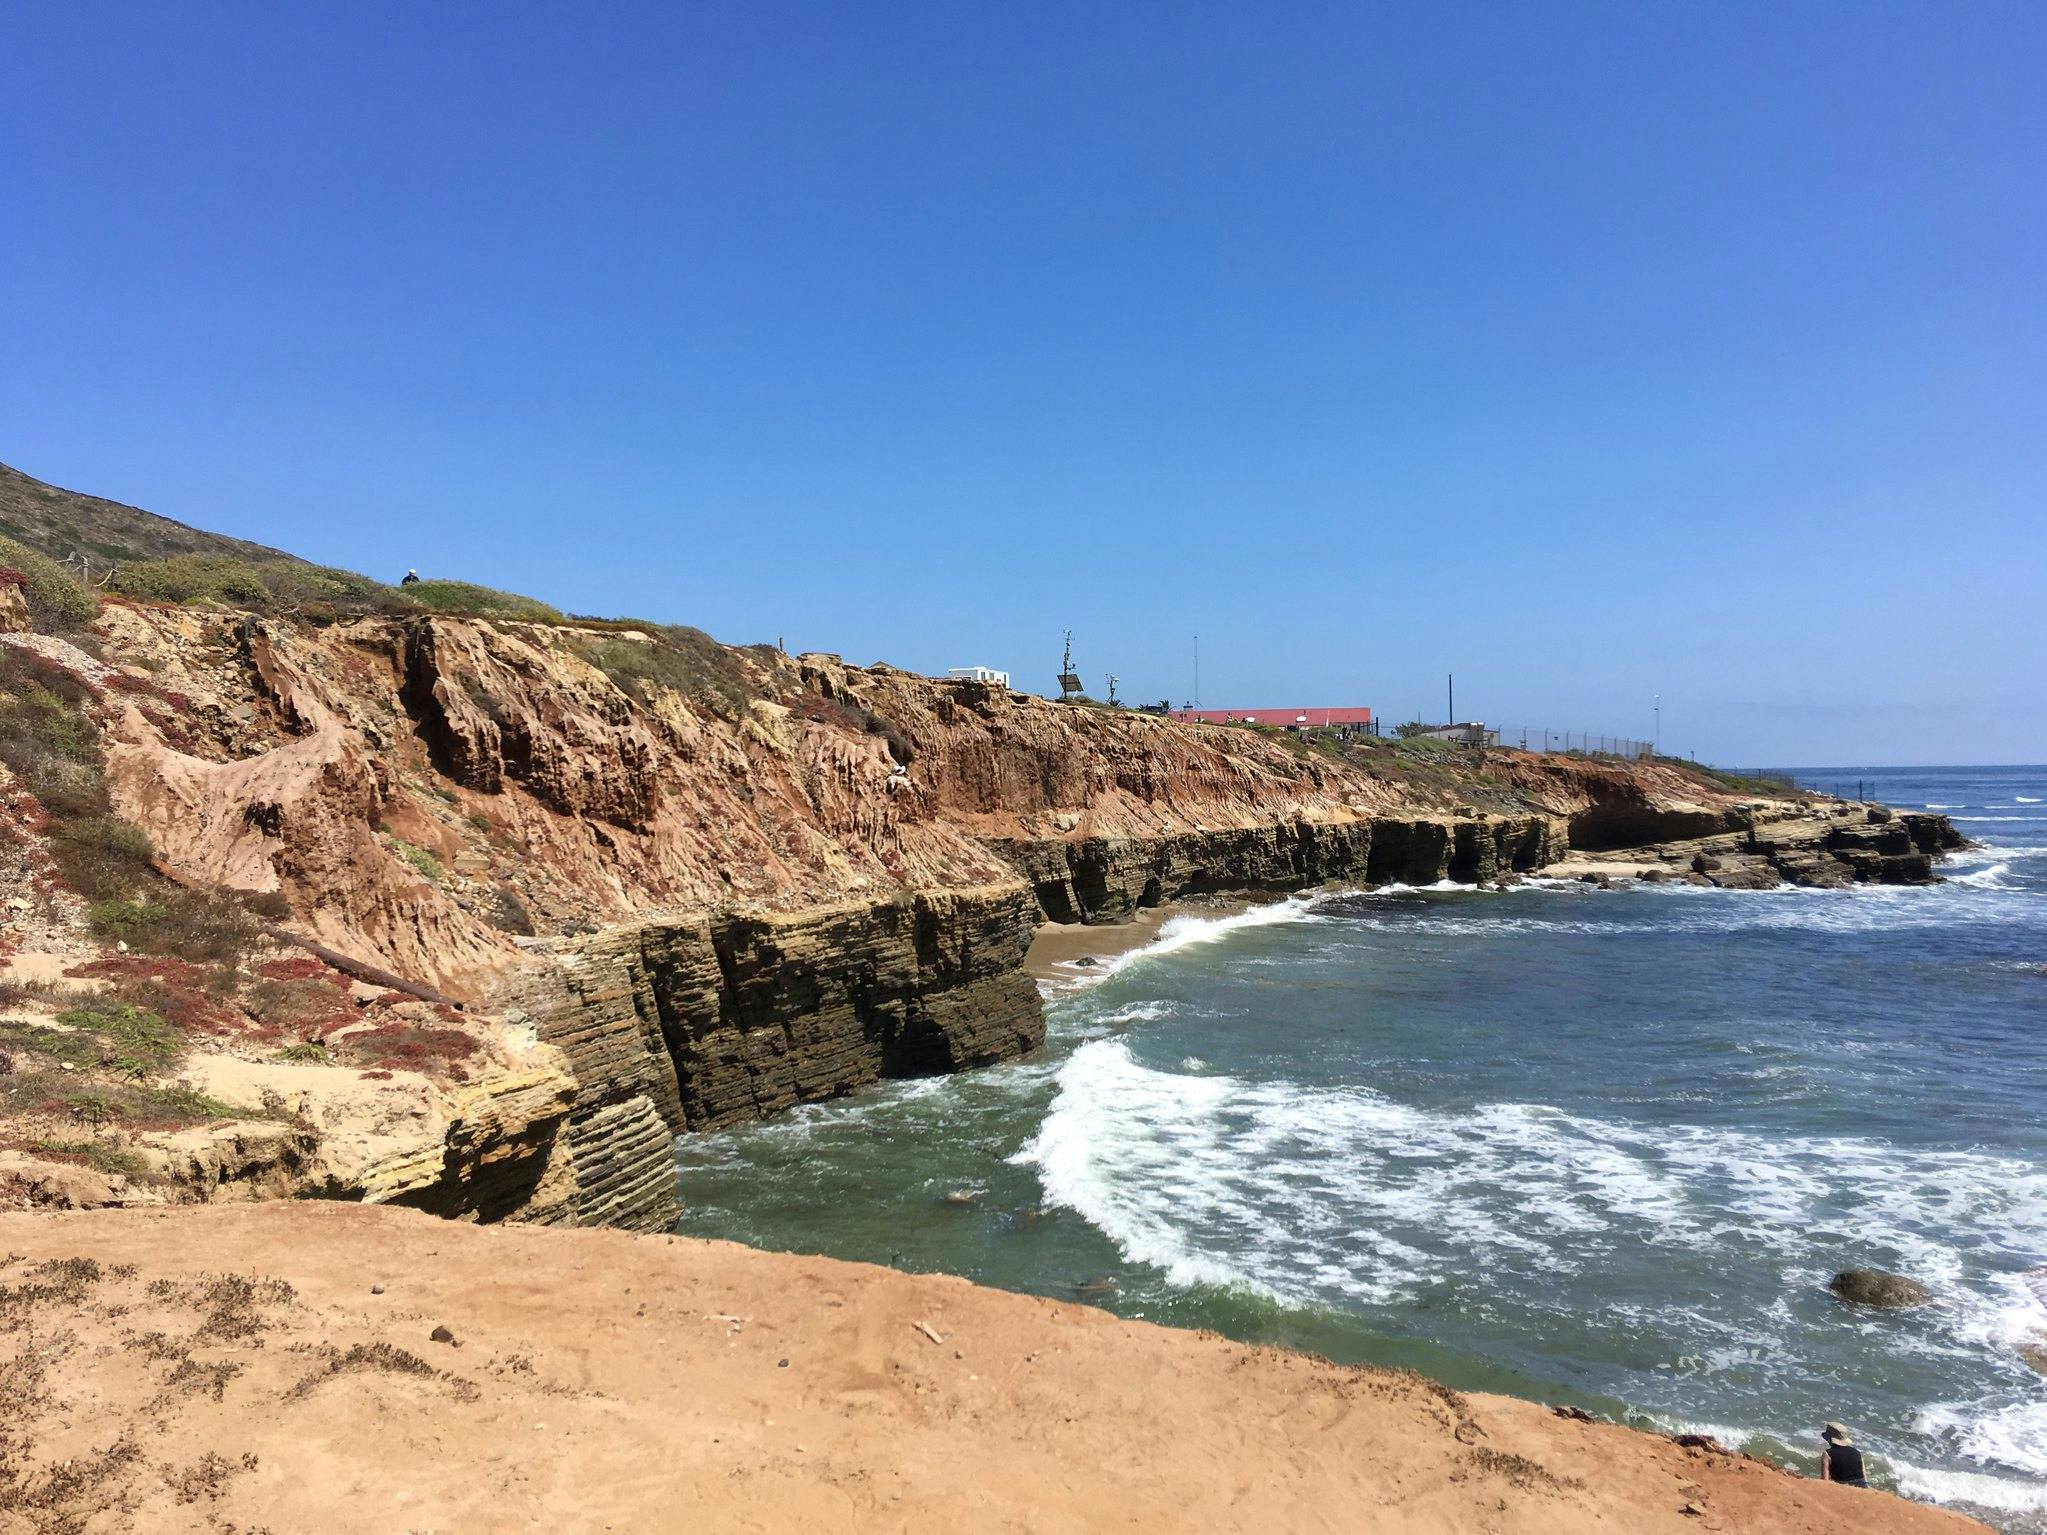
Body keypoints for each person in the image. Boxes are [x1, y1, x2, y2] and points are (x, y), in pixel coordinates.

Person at [1820, 1423, 1868, 1487]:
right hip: (1862, 1486)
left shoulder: (1827, 1454)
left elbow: (1825, 1480)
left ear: (1829, 1438)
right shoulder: (1857, 1452)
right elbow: (1864, 1477)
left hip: (1842, 1487)